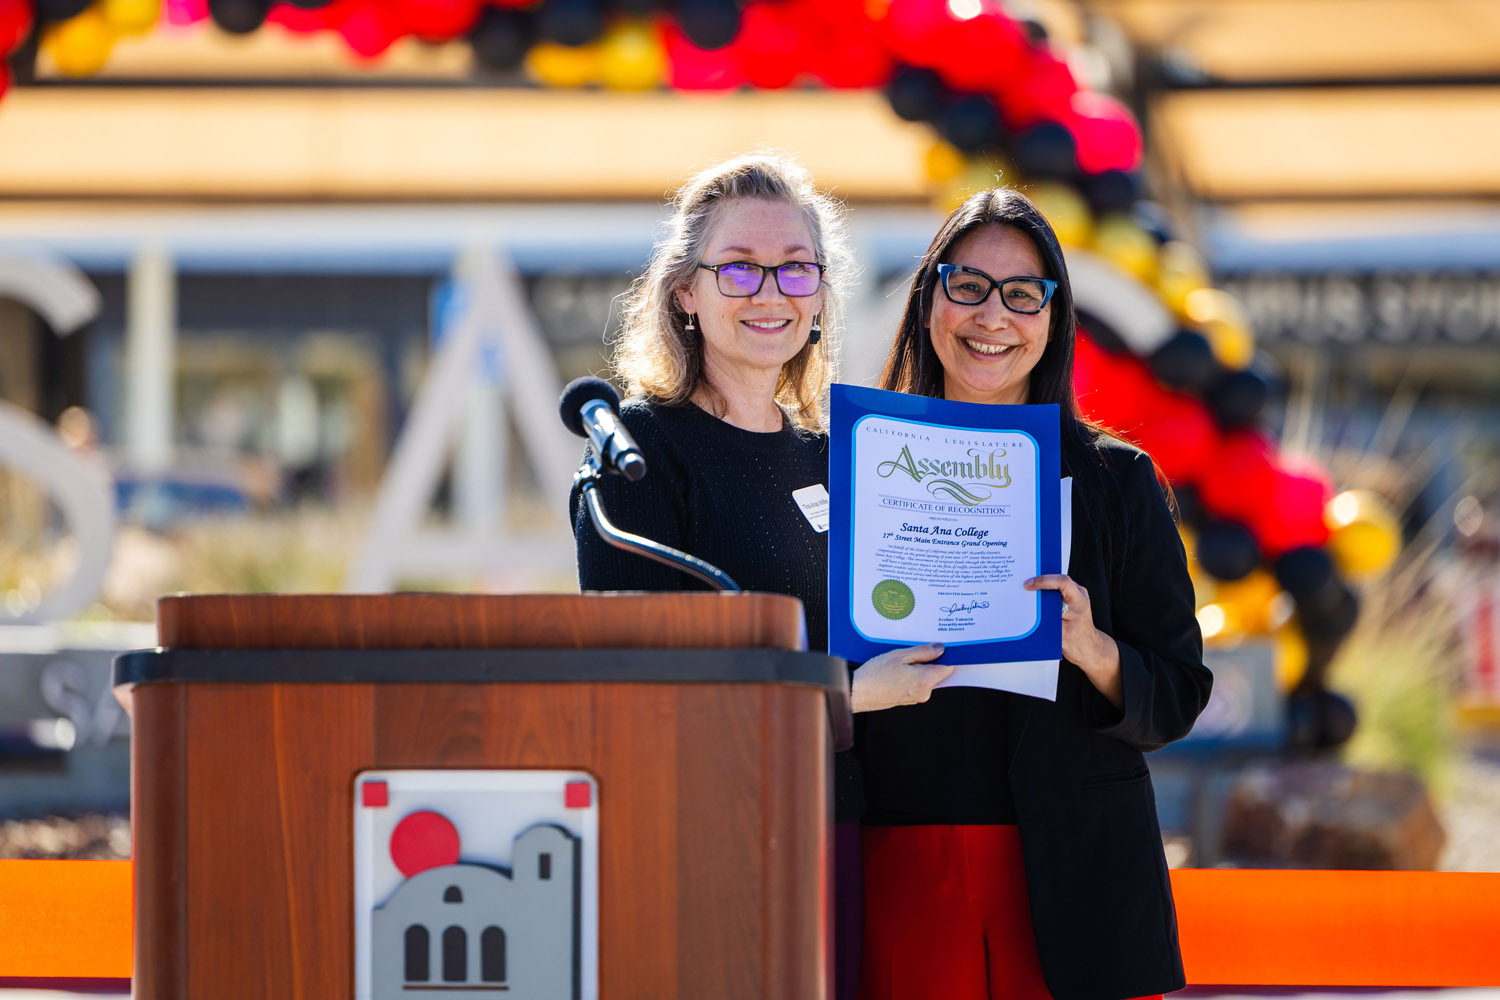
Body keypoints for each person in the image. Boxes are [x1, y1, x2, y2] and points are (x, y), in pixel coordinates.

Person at [569, 151, 945, 1000]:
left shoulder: (844, 458)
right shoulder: (637, 455)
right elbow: (649, 680)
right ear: (685, 294)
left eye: (795, 268)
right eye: (738, 266)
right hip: (700, 836)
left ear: (819, 296)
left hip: (838, 826)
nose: (769, 291)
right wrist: (850, 693)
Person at [853, 188, 1213, 1000]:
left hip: (1082, 866)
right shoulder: (860, 467)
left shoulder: (1120, 483)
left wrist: (1093, 648)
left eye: (1023, 294)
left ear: (1054, 318)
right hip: (906, 861)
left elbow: (1181, 693)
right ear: (927, 299)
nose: (993, 316)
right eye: (968, 285)